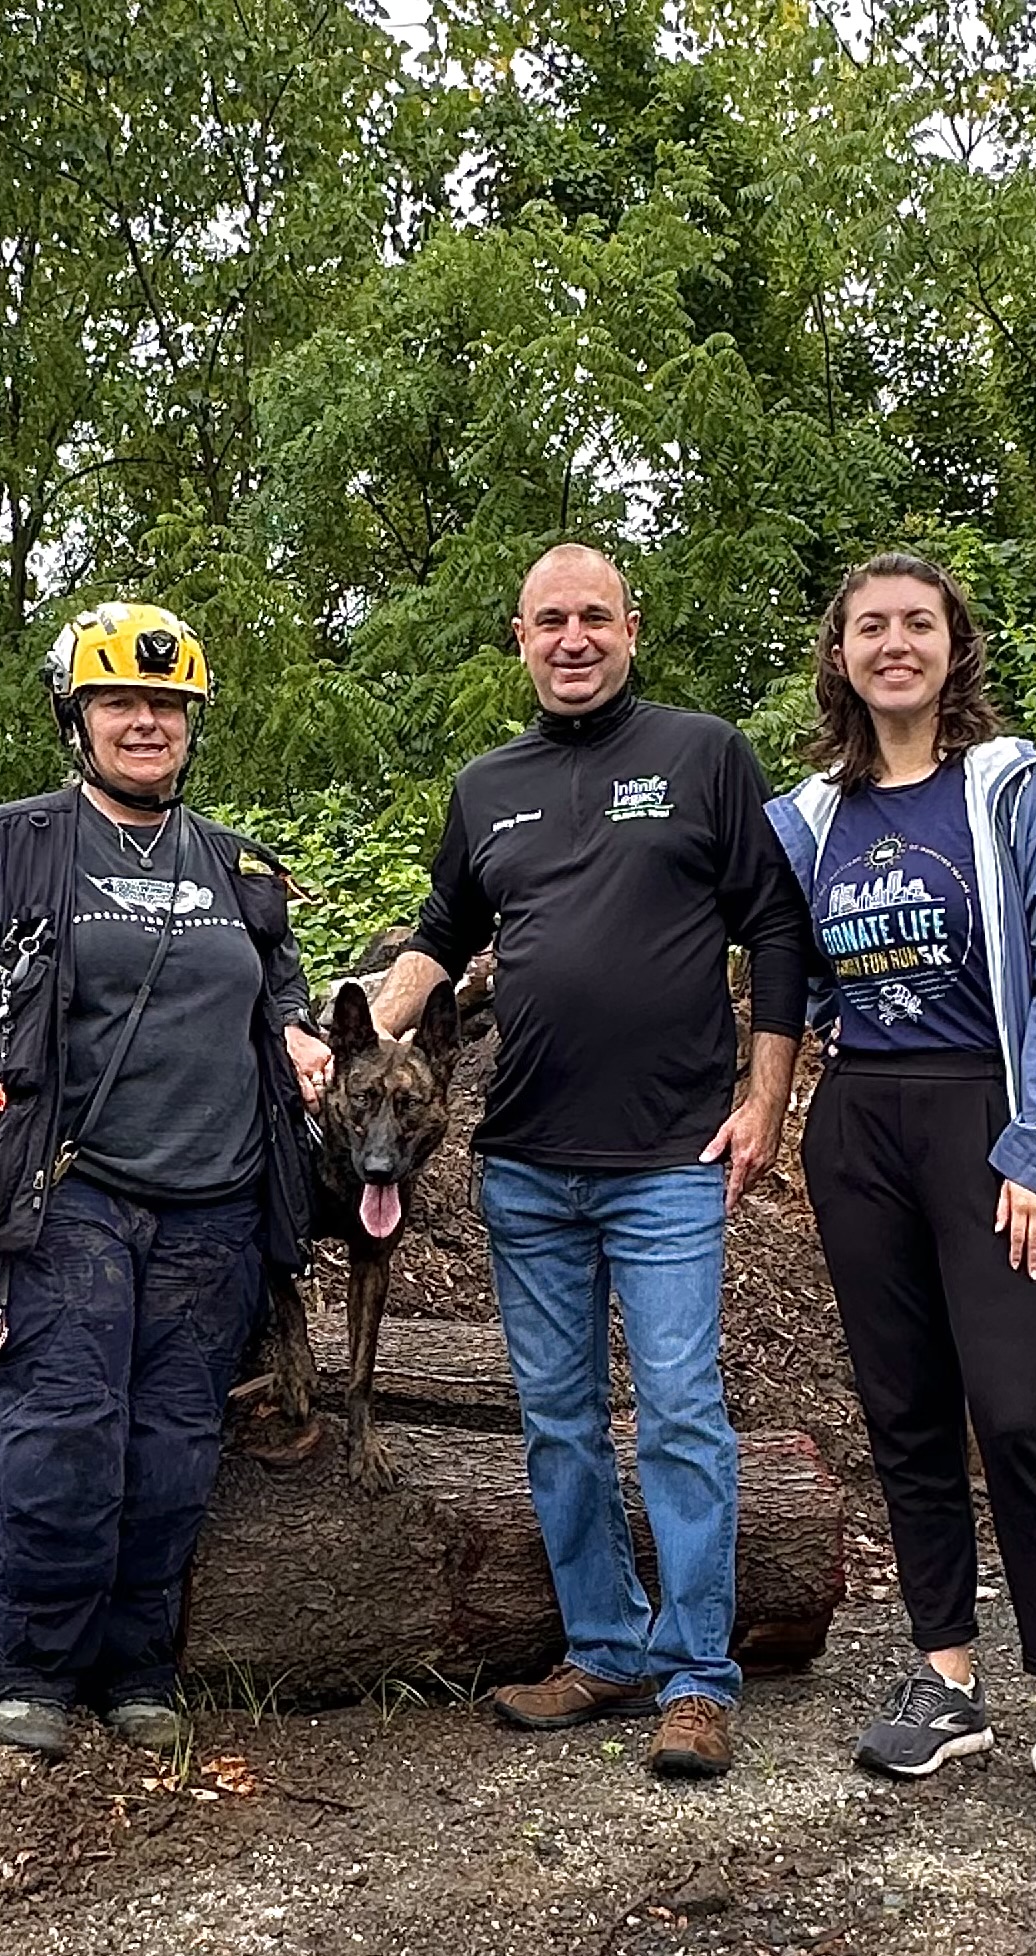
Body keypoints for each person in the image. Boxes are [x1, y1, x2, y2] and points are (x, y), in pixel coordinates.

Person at [369, 543, 816, 1779]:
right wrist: (354, 1031)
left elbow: (775, 924)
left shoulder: (703, 755)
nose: (572, 639)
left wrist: (765, 1100)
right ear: (518, 638)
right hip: (524, 1163)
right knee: (559, 1424)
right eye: (548, 621)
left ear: (632, 627)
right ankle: (606, 1647)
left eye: (594, 618)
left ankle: (698, 1677)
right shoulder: (486, 785)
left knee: (678, 1415)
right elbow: (440, 934)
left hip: (670, 1154)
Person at [0, 601, 332, 1759]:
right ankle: (27, 1662)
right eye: (121, 701)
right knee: (63, 1429)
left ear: (192, 721)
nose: (146, 722)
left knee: (174, 1444)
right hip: (61, 1194)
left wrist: (298, 1034)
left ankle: (136, 1665)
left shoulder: (235, 865)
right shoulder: (18, 845)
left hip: (214, 1206)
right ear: (76, 717)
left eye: (167, 705)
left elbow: (275, 994)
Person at [765, 552, 1036, 1829]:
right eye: (868, 626)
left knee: (1017, 1411)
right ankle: (945, 1679)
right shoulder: (806, 815)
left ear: (951, 646)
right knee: (905, 1411)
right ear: (839, 654)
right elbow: (737, 921)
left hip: (990, 1115)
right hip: (862, 1125)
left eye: (915, 624)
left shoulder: (1010, 785)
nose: (893, 643)